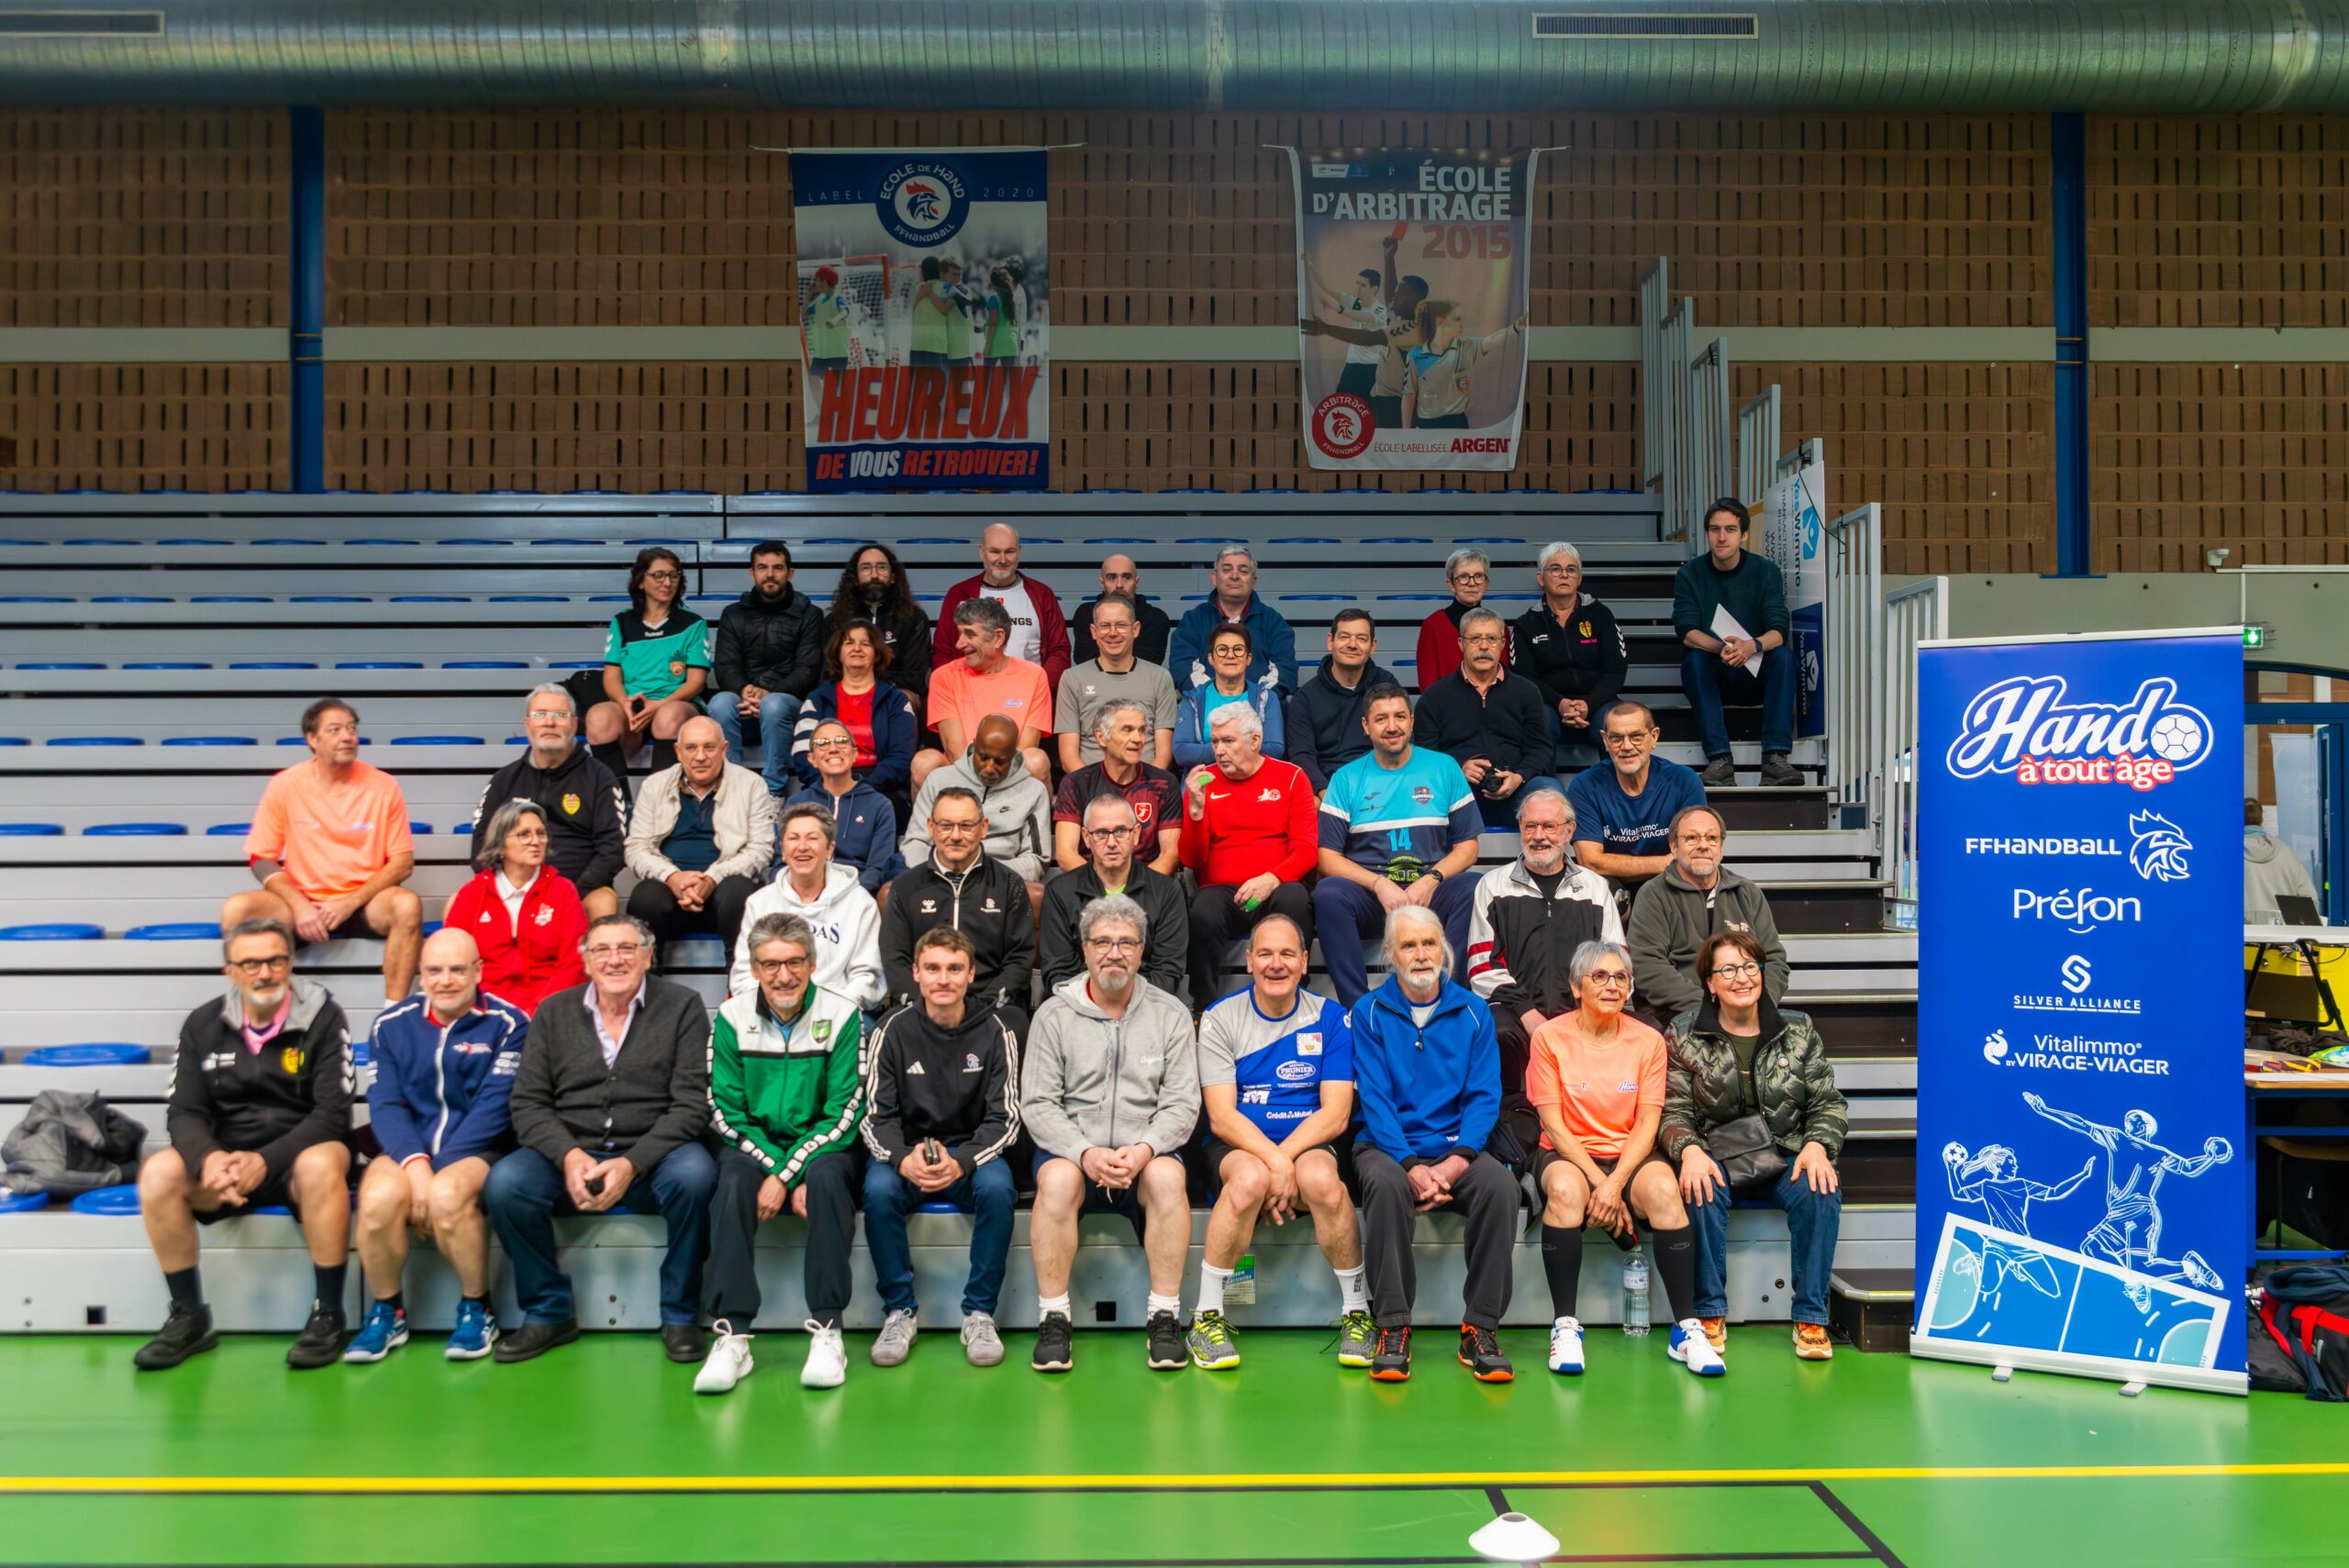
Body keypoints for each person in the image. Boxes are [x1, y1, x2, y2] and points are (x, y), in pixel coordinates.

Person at [484, 915, 718, 1364]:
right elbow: (528, 1103)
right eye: (602, 950)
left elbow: (692, 1106)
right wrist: (568, 1155)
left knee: (697, 1177)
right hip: (571, 1151)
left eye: (627, 948)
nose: (615, 960)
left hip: (655, 1153)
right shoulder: (553, 1011)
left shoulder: (683, 1006)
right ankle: (548, 1311)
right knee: (506, 1184)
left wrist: (632, 1163)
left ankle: (680, 1313)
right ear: (586, 961)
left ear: (648, 956)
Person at [132, 918, 352, 1372]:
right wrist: (209, 1158)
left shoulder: (324, 1015)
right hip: (227, 1163)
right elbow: (184, 1111)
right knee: (157, 1172)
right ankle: (190, 1317)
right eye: (250, 964)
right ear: (229, 971)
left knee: (322, 1161)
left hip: (298, 1159)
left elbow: (333, 1115)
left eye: (276, 961)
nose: (265, 973)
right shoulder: (202, 1024)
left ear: (290, 963)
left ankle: (328, 1313)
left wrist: (265, 1161)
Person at [1021, 895, 1200, 1373]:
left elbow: (1183, 1105)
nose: (1114, 953)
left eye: (1126, 943)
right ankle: (1053, 1318)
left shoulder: (1170, 1014)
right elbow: (1037, 1104)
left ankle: (1164, 1317)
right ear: (1085, 949)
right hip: (1074, 1153)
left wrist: (1143, 1150)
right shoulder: (1054, 1015)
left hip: (1145, 1153)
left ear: (1142, 951)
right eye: (1102, 942)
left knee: (1168, 1178)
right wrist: (1085, 1153)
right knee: (1055, 1179)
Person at [693, 913, 868, 1395]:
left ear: (812, 963)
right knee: (731, 1182)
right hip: (755, 1144)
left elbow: (845, 1110)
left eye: (794, 962)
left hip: (827, 1145)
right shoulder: (731, 1017)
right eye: (770, 965)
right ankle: (733, 1334)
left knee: (828, 1179)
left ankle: (828, 1330)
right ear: (754, 968)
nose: (783, 975)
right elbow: (724, 1109)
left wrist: (789, 1174)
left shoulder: (843, 1014)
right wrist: (783, 1172)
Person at [1187, 913, 1372, 1371]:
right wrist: (1274, 1162)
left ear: (1305, 961)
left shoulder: (1331, 1018)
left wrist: (1284, 1159)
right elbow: (1221, 1117)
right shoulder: (1220, 1017)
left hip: (1306, 1142)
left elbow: (1336, 1113)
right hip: (1238, 1145)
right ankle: (1206, 1316)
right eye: (1265, 954)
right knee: (1248, 1180)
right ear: (1249, 961)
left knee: (1323, 1181)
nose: (1276, 964)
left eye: (1287, 954)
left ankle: (1358, 1312)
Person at [1528, 940, 1719, 1379]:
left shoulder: (1648, 1040)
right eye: (1599, 976)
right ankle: (1565, 1327)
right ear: (1577, 987)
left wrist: (1615, 1184)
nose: (1612, 985)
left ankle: (1685, 1329)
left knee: (1666, 1191)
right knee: (1564, 1191)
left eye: (1620, 977)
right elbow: (1554, 1126)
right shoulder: (1549, 1037)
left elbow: (1648, 1122)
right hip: (1567, 1153)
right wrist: (1602, 1184)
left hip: (1630, 1154)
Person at [1349, 905, 1517, 1383]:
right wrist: (1409, 1165)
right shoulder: (1368, 1012)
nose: (1421, 954)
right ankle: (1393, 1327)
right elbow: (1376, 1099)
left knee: (1501, 1188)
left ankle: (1480, 1327)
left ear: (1444, 948)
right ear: (1390, 953)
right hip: (1386, 1146)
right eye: (1408, 945)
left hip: (1455, 1147)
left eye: (1429, 943)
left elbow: (1484, 1097)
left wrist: (1456, 1162)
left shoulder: (1474, 1011)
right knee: (1386, 1188)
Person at [1664, 929, 1846, 1362]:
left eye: (1749, 966)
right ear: (1710, 982)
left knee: (1820, 1187)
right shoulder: (1684, 1033)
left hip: (1785, 1151)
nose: (1741, 978)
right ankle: (1709, 1312)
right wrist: (1689, 1150)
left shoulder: (1798, 1029)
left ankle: (1811, 1316)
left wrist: (1817, 1146)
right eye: (1728, 970)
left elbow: (1827, 1102)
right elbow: (1673, 1110)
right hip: (1717, 1153)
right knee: (1699, 1186)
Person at [348, 928, 529, 1363]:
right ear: (420, 973)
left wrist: (436, 1173)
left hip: (481, 1148)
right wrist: (416, 1167)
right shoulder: (390, 1024)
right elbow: (385, 1104)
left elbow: (494, 1108)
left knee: (447, 1195)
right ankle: (387, 1312)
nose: (445, 980)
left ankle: (477, 1308)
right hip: (406, 1147)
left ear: (478, 972)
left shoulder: (510, 1024)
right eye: (434, 970)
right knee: (377, 1199)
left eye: (457, 970)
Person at [859, 926, 1022, 1371]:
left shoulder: (996, 1031)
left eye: (954, 968)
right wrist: (901, 1159)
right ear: (916, 973)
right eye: (932, 969)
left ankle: (979, 1313)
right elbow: (875, 1117)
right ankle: (899, 1311)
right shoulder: (891, 1030)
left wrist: (963, 1161)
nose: (943, 979)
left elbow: (1005, 1119)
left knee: (997, 1188)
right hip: (909, 1154)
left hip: (970, 1155)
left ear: (971, 974)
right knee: (878, 1190)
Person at [227, 696, 422, 1004]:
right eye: (335, 730)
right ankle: (254, 1010)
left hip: (364, 902)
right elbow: (261, 859)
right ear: (312, 739)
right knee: (237, 909)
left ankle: (392, 1014)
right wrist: (300, 905)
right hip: (302, 902)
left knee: (407, 905)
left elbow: (403, 863)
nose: (347, 737)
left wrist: (349, 902)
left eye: (352, 729)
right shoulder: (286, 784)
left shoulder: (384, 785)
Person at [1465, 787, 1624, 1138]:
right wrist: (1527, 1012)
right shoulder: (1493, 885)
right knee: (1497, 1031)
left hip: (1581, 1007)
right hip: (1515, 1010)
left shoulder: (1595, 887)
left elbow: (1614, 963)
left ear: (1569, 831)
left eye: (1550, 826)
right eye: (1530, 826)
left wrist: (1581, 1012)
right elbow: (1481, 967)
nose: (1539, 836)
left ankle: (1596, 1126)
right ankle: (1510, 1128)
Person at [1313, 685, 1482, 1007]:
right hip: (1373, 898)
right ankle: (1358, 1008)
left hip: (1430, 893)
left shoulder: (1444, 768)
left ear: (1412, 721)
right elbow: (1326, 857)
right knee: (1329, 893)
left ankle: (1450, 1000)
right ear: (1366, 726)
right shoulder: (1346, 778)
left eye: (1400, 716)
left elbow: (1468, 848)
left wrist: (1431, 880)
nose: (1392, 726)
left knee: (1473, 886)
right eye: (1381, 719)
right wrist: (1379, 885)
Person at [1179, 703, 1319, 1006]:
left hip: (1275, 888)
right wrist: (1195, 813)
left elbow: (1307, 850)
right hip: (1222, 894)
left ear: (1255, 740)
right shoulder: (1202, 783)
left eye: (1228, 741)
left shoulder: (1291, 777)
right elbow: (1191, 860)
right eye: (1215, 742)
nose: (1219, 750)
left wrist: (1271, 878)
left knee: (1294, 898)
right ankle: (1202, 1006)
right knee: (1203, 910)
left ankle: (1297, 997)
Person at [622, 715, 775, 962]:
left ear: (724, 749)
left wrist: (713, 878)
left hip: (726, 896)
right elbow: (636, 847)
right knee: (645, 898)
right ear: (678, 751)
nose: (700, 756)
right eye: (691, 748)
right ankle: (649, 975)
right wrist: (672, 877)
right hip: (671, 895)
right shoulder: (654, 785)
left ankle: (739, 976)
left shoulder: (751, 784)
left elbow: (761, 848)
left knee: (739, 892)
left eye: (709, 747)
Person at [469, 684, 628, 921]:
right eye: (540, 714)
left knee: (603, 902)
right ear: (527, 724)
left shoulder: (600, 777)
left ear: (574, 723)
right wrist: (511, 889)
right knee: (457, 903)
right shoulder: (504, 779)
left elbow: (613, 849)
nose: (549, 722)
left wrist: (568, 894)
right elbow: (481, 845)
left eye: (560, 715)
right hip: (513, 889)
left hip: (580, 890)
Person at [880, 782, 1035, 1021]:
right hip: (923, 1008)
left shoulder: (1009, 884)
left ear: (983, 827)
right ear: (931, 827)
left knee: (1016, 1023)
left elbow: (1019, 960)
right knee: (884, 1027)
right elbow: (895, 960)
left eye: (965, 826)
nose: (955, 836)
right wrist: (928, 1008)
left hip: (990, 1009)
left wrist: (979, 1009)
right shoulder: (905, 887)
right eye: (945, 826)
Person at [1675, 497, 1798, 786]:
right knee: (1694, 660)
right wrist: (1724, 649)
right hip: (1716, 674)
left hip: (1756, 674)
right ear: (1707, 533)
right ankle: (1719, 759)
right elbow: (1687, 630)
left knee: (1783, 657)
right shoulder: (1690, 573)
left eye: (1730, 529)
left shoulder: (1765, 571)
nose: (1721, 537)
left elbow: (1779, 630)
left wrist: (1750, 646)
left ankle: (1775, 758)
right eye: (1714, 529)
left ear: (1744, 535)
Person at [1627, 806, 1790, 1020]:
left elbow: (1774, 960)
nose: (1703, 845)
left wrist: (1757, 1003)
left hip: (1745, 1012)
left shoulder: (1747, 892)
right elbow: (1647, 967)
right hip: (1676, 1017)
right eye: (1692, 838)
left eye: (1712, 838)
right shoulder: (1653, 895)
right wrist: (1711, 1008)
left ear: (1721, 847)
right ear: (1674, 846)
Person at [1412, 606, 1559, 828]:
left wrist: (1519, 777)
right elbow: (1425, 754)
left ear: (1502, 643)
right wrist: (1458, 768)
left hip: (1516, 794)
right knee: (1422, 795)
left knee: (1550, 791)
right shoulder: (1435, 696)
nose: (1483, 646)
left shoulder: (1526, 691)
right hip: (1458, 795)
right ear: (1460, 644)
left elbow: (1540, 748)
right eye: (1475, 639)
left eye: (1491, 639)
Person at [732, 804, 886, 1011]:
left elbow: (867, 977)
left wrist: (828, 1012)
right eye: (793, 838)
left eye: (812, 838)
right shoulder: (759, 903)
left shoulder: (860, 903)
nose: (802, 847)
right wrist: (780, 1010)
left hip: (840, 1012)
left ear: (830, 849)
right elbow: (744, 975)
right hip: (773, 1011)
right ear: (783, 850)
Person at [443, 799, 589, 1016]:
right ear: (501, 842)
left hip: (549, 1012)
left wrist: (540, 1011)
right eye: (524, 834)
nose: (536, 841)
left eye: (541, 833)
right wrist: (489, 1014)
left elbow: (574, 963)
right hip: (485, 1012)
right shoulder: (472, 894)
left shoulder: (563, 891)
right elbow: (454, 962)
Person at [707, 539, 828, 795]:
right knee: (719, 703)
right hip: (745, 702)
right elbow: (726, 664)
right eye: (762, 567)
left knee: (773, 705)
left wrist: (768, 694)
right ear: (752, 573)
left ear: (790, 573)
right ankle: (731, 789)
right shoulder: (733, 613)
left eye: (777, 567)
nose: (770, 574)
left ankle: (774, 792)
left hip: (789, 707)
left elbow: (808, 669)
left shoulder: (810, 614)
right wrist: (744, 690)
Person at [1040, 795, 1186, 995]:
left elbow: (1167, 973)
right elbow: (1058, 974)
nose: (1111, 843)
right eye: (1101, 833)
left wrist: (1124, 1004)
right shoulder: (1059, 892)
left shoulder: (1166, 891)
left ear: (1136, 834)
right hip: (1079, 1008)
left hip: (1146, 1006)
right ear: (1086, 837)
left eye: (1120, 831)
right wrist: (1100, 1003)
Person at [584, 545, 709, 778]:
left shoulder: (693, 623)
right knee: (598, 717)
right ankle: (617, 797)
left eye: (673, 575)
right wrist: (624, 703)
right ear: (641, 581)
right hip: (633, 707)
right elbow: (611, 677)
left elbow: (696, 682)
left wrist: (659, 705)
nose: (667, 582)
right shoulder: (622, 622)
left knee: (668, 716)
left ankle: (661, 798)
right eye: (658, 575)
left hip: (676, 704)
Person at [1567, 701, 1709, 901]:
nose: (1626, 746)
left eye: (1636, 736)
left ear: (1654, 736)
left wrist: (1614, 863)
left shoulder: (1684, 781)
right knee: (1599, 892)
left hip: (1670, 885)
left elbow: (1692, 855)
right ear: (1605, 741)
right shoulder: (1585, 785)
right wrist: (1665, 862)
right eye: (1616, 738)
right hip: (1611, 887)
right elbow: (1591, 863)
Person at [903, 715, 1052, 893]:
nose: (989, 768)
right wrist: (938, 874)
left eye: (1000, 761)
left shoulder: (1034, 791)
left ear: (1013, 755)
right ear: (974, 745)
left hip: (1000, 883)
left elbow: (1036, 860)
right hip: (938, 878)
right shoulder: (938, 780)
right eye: (983, 757)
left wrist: (982, 873)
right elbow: (915, 841)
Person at [916, 597, 1054, 789]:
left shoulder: (1034, 675)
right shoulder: (943, 676)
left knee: (1036, 760)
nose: (959, 644)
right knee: (923, 762)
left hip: (1012, 774)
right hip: (961, 773)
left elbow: (1026, 748)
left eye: (969, 634)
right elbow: (954, 750)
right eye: (960, 634)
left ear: (998, 638)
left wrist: (994, 778)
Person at [787, 619, 919, 820]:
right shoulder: (817, 699)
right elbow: (802, 754)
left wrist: (860, 789)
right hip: (825, 784)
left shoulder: (895, 700)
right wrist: (830, 786)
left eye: (866, 644)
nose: (857, 648)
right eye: (849, 643)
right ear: (838, 652)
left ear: (877, 653)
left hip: (880, 789)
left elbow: (901, 757)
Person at [1513, 542, 1629, 756]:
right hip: (1547, 705)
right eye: (1555, 569)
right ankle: (1543, 780)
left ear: (1579, 578)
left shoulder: (1601, 615)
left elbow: (1615, 670)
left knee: (1617, 726)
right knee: (1539, 724)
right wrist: (1560, 703)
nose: (1564, 575)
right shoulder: (1526, 624)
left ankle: (1616, 780)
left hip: (1598, 703)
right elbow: (1525, 677)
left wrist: (1588, 704)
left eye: (1571, 569)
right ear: (1540, 578)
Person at [931, 522, 1072, 690]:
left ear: (1019, 552)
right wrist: (959, 689)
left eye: (1009, 552)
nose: (1002, 559)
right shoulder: (959, 594)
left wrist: (1038, 688)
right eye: (995, 552)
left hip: (1029, 693)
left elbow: (1059, 651)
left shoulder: (1042, 594)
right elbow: (942, 652)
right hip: (970, 694)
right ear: (982, 551)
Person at [1052, 700, 1181, 874]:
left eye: (1141, 730)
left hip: (1148, 881)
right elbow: (1066, 854)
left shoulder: (1164, 783)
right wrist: (1104, 886)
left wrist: (1137, 886)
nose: (1137, 739)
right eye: (1127, 730)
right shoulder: (1075, 784)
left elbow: (1170, 855)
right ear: (1101, 737)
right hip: (1090, 880)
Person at [1057, 591, 1177, 773]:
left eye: (1121, 625)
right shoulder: (1072, 678)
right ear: (1094, 631)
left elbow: (1164, 754)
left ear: (1135, 629)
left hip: (1146, 784)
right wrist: (1093, 786)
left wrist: (1144, 786)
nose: (1113, 633)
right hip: (1089, 784)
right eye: (1105, 626)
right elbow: (1068, 756)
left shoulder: (1160, 677)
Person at [785, 717, 905, 896]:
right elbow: (781, 862)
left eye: (841, 741)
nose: (833, 749)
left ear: (854, 754)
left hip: (857, 894)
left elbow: (878, 867)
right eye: (822, 743)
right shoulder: (796, 804)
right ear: (812, 759)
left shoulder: (879, 804)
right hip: (804, 893)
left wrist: (848, 896)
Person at [1288, 606, 1401, 792]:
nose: (1352, 644)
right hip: (1329, 786)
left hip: (1380, 782)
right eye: (1344, 637)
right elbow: (1302, 755)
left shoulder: (1386, 685)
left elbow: (1399, 740)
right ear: (1330, 641)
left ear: (1373, 646)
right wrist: (1324, 793)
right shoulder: (1305, 698)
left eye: (1361, 638)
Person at [1168, 545, 1297, 695]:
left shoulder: (1273, 622)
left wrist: (1253, 699)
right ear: (1214, 578)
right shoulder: (1193, 620)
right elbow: (1182, 668)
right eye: (1227, 569)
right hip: (1205, 705)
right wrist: (1215, 697)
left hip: (1260, 706)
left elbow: (1285, 672)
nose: (1234, 576)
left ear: (1253, 580)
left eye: (1243, 571)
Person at [1173, 622, 1287, 771]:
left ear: (1248, 658)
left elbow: (1275, 749)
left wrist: (1221, 747)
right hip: (1206, 779)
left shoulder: (1266, 698)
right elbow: (1181, 752)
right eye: (1222, 649)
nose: (1231, 655)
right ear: (1211, 658)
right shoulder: (1193, 699)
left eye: (1238, 649)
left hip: (1253, 780)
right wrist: (1239, 746)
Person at [829, 543, 930, 706]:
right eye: (866, 568)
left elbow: (914, 677)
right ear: (855, 578)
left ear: (893, 577)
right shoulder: (836, 619)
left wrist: (871, 685)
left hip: (896, 690)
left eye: (881, 567)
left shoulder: (914, 617)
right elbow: (830, 670)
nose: (874, 574)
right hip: (847, 688)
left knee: (902, 699)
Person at [1402, 299, 1526, 428]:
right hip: (1427, 424)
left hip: (1457, 422)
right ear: (1440, 321)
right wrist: (1405, 433)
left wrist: (1517, 326)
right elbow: (1409, 395)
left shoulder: (1466, 346)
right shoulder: (1415, 355)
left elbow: (1492, 339)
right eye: (1457, 319)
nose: (1462, 324)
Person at [1415, 548, 1509, 693]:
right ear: (1451, 584)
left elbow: (1505, 681)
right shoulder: (1433, 625)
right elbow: (1428, 686)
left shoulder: (1499, 627)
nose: (1472, 583)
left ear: (1486, 583)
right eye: (1463, 577)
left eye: (1479, 576)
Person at [1071, 553, 1173, 667]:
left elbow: (1147, 664)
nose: (1119, 585)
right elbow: (1086, 661)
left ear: (1136, 582)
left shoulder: (1156, 618)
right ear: (1102, 584)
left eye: (1127, 577)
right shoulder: (1085, 614)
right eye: (1112, 577)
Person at [2245, 796, 2323, 922]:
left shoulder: (2226, 857)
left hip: (2246, 931)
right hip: (2283, 931)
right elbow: (2310, 898)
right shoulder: (2285, 852)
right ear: (2262, 820)